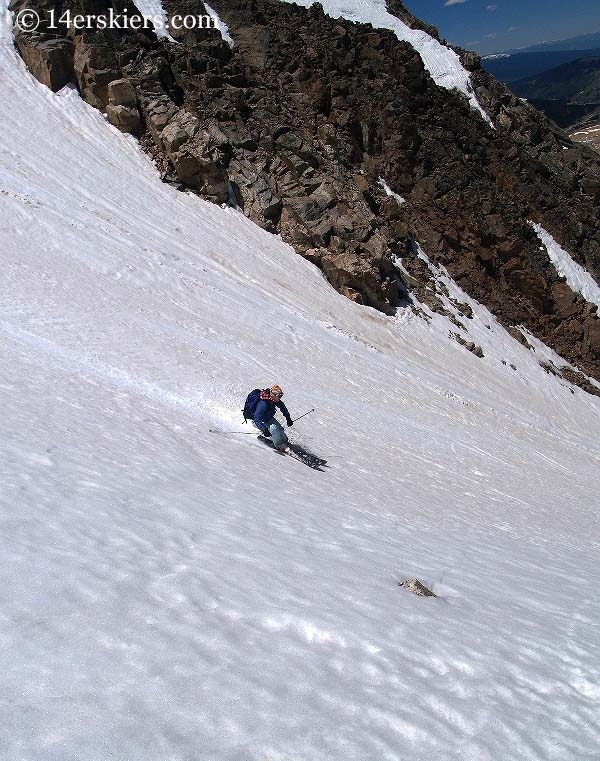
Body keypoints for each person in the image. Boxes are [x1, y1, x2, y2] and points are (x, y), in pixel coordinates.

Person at [252, 385, 293, 451]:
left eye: (281, 396)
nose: (280, 398)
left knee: (279, 429)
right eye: (279, 396)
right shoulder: (263, 404)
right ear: (273, 395)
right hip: (258, 421)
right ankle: (279, 445)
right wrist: (264, 429)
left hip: (268, 418)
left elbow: (283, 408)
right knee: (274, 429)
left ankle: (285, 441)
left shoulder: (274, 400)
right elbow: (256, 418)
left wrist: (288, 418)